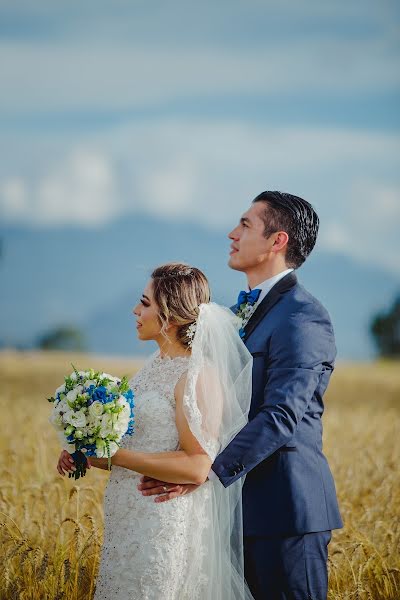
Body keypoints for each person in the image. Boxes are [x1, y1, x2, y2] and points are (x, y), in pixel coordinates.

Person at [139, 192, 343, 600]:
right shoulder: (231, 315)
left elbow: (281, 416)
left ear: (277, 241)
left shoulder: (303, 317)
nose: (233, 233)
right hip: (230, 512)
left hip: (285, 512)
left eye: (246, 224)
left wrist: (206, 473)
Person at [57, 263, 255, 600]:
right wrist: (89, 450)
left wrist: (115, 454)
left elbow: (196, 465)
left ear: (172, 316)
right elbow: (136, 449)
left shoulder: (198, 375)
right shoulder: (151, 368)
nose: (136, 310)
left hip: (160, 521)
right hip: (125, 516)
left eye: (145, 303)